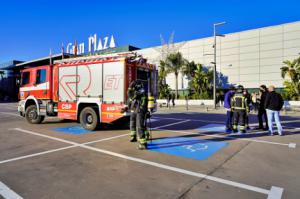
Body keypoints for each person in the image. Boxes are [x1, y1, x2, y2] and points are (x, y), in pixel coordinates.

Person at [127, 80, 149, 150]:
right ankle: (135, 137)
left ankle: (143, 143)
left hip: (140, 110)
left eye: (134, 86)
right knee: (134, 124)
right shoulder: (139, 91)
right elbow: (130, 100)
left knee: (140, 126)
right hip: (136, 109)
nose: (133, 87)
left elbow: (130, 94)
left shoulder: (140, 92)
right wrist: (127, 107)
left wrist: (130, 87)